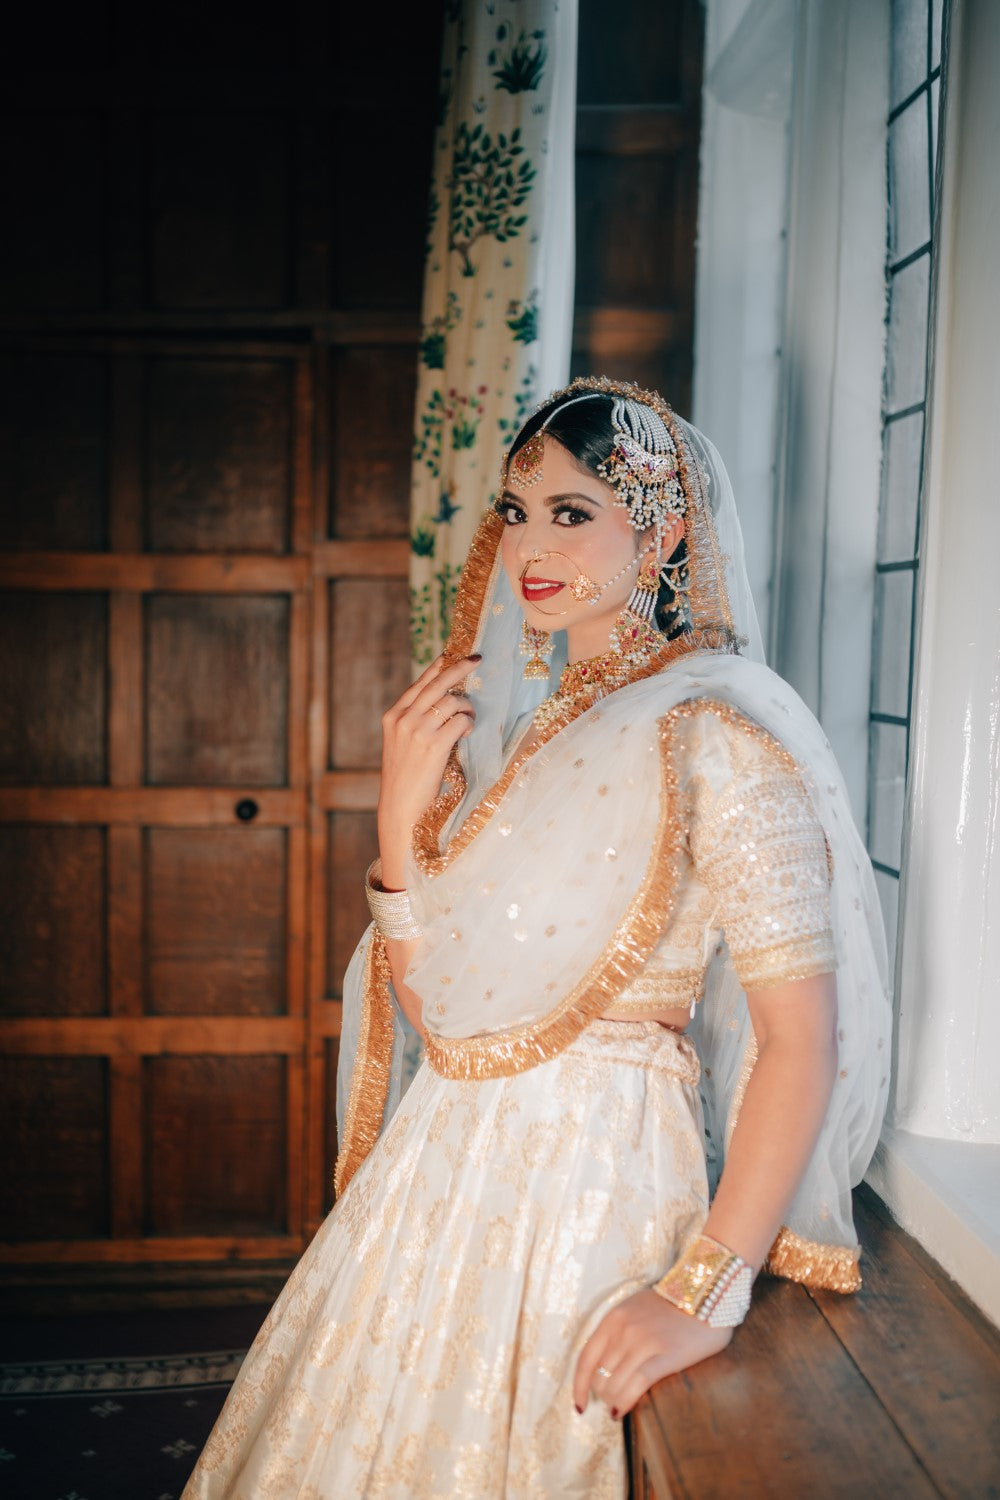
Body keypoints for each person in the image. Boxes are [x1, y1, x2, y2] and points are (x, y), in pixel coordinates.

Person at [182, 376, 890, 1499]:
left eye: (571, 512)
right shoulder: (525, 747)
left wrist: (699, 1292)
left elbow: (800, 1038)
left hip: (590, 1184)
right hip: (440, 1180)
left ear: (659, 534)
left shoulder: (714, 736)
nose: (527, 545)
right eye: (516, 511)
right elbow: (446, 1018)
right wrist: (397, 826)